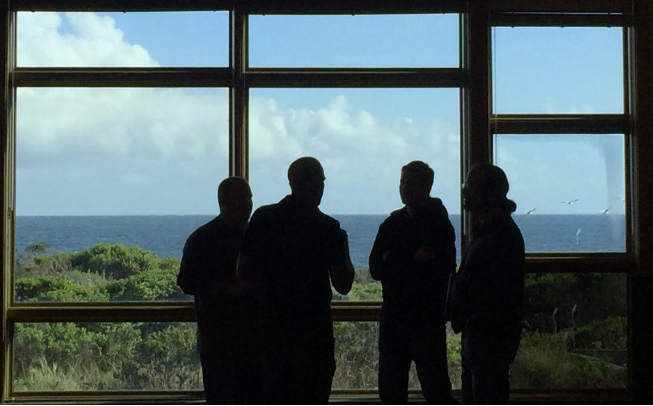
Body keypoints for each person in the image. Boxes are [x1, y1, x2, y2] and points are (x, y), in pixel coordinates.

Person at [237, 156, 355, 404]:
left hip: (270, 331)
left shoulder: (262, 218)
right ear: (317, 186)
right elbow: (343, 284)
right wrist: (343, 248)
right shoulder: (327, 228)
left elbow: (243, 272)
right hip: (313, 335)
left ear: (291, 182)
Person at [369, 160, 457, 404]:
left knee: (433, 387)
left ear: (427, 186)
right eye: (402, 182)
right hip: (402, 319)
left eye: (410, 183)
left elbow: (437, 269)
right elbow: (375, 268)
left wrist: (393, 260)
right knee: (393, 388)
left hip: (422, 319)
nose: (404, 188)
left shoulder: (435, 225)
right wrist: (410, 259)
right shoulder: (395, 224)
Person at [176, 176, 260, 405]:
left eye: (249, 197)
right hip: (222, 343)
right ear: (223, 201)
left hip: (249, 343)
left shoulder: (203, 237)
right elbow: (187, 281)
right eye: (241, 198)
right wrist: (230, 290)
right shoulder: (203, 239)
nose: (247, 203)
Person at [449, 163, 525, 404]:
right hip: (483, 339)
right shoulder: (495, 231)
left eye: (470, 186)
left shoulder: (497, 236)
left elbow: (490, 292)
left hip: (489, 340)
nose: (464, 191)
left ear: (488, 192)